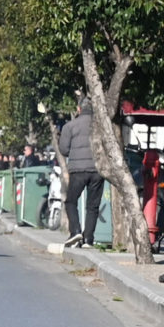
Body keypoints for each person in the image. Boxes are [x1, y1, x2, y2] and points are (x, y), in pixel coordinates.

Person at [56, 100, 106, 248]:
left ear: (79, 109)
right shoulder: (101, 126)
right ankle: (88, 239)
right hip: (97, 170)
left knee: (71, 201)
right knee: (93, 206)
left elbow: (64, 150)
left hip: (78, 170)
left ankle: (75, 231)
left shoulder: (69, 126)